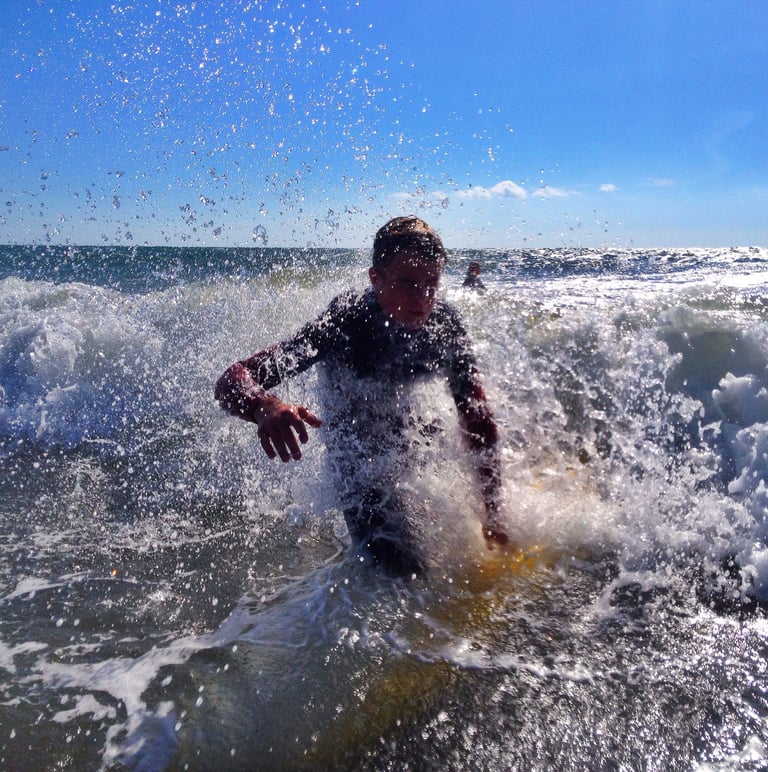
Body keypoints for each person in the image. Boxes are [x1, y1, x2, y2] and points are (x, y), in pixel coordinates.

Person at [215, 216, 510, 576]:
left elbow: (478, 421)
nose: (422, 298)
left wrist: (493, 513)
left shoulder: (445, 325)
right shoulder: (347, 320)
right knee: (402, 573)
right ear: (376, 278)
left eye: (431, 282)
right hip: (358, 464)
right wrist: (265, 406)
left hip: (413, 445)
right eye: (407, 282)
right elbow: (232, 379)